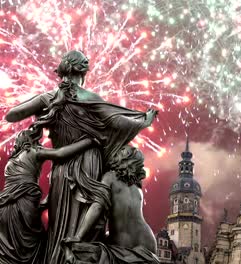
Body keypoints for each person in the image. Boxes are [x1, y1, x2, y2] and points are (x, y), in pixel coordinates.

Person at [5, 50, 157, 264]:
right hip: (90, 164)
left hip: (62, 166)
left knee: (61, 221)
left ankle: (58, 258)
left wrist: (42, 109)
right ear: (82, 71)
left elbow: (11, 115)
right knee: (88, 221)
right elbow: (120, 124)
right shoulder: (92, 99)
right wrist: (143, 120)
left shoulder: (49, 97)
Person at [0, 127, 99, 264]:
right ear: (30, 141)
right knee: (33, 244)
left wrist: (44, 203)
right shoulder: (33, 152)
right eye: (37, 139)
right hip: (23, 209)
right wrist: (89, 141)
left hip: (4, 208)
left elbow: (17, 187)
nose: (40, 142)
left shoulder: (11, 162)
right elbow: (60, 153)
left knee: (9, 252)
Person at [62, 145, 158, 264]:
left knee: (82, 257)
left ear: (124, 158)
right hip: (149, 243)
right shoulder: (137, 187)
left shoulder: (110, 177)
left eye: (121, 151)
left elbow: (97, 206)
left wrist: (78, 236)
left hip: (124, 244)